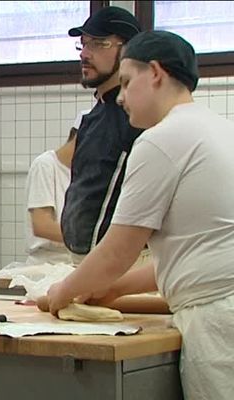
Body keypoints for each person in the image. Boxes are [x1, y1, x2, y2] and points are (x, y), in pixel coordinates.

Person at [46, 30, 234, 399]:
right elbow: (192, 251)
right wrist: (112, 288)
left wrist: (59, 293)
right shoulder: (218, 128)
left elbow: (118, 251)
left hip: (220, 323)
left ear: (157, 73)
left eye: (128, 83)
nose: (120, 98)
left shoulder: (162, 139)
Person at [60, 6, 144, 264]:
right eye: (83, 44)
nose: (85, 54)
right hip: (82, 257)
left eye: (98, 44)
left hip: (120, 263)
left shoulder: (137, 118)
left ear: (128, 49)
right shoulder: (92, 117)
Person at [24, 110, 87, 266]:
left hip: (77, 262)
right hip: (47, 265)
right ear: (80, 138)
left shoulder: (86, 173)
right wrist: (89, 241)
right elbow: (42, 225)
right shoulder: (46, 165)